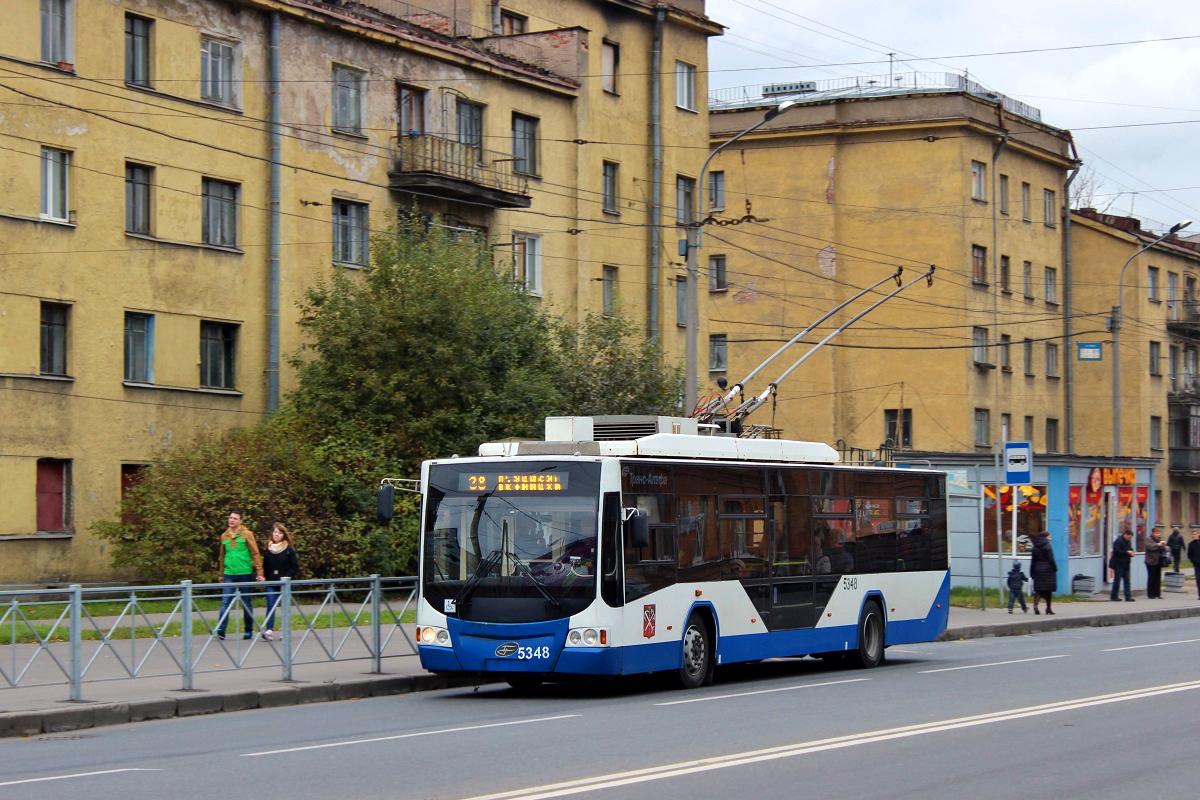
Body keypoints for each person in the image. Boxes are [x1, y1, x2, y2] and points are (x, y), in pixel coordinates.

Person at [216, 510, 264, 641]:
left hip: (244, 572)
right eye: (230, 518)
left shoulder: (247, 534)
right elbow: (221, 556)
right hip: (229, 573)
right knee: (225, 601)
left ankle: (248, 630)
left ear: (240, 521)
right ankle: (221, 629)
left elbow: (255, 553)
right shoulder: (224, 536)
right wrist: (221, 574)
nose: (231, 520)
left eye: (235, 518)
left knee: (246, 603)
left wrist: (260, 572)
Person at [261, 522, 299, 641]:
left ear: (283, 535)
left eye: (279, 533)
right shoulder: (268, 550)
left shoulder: (289, 550)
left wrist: (287, 577)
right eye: (275, 532)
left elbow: (295, 567)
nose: (276, 534)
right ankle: (269, 630)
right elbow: (265, 566)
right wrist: (263, 577)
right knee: (271, 605)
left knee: (284, 607)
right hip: (271, 583)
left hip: (285, 583)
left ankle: (285, 631)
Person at [1029, 531, 1057, 615]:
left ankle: (1035, 605)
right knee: (1048, 590)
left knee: (1039, 590)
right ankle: (1048, 608)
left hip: (1038, 570)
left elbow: (1033, 561)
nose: (1050, 538)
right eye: (1049, 537)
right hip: (1048, 570)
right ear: (1045, 537)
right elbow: (1051, 559)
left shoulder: (1035, 547)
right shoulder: (1048, 546)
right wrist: (1055, 568)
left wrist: (1032, 572)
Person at [1109, 527, 1135, 602]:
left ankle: (1128, 596)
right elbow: (1117, 551)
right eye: (1129, 537)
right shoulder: (1118, 541)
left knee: (1127, 581)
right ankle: (1114, 596)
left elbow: (1130, 549)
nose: (1129, 539)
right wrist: (1127, 552)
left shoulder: (1128, 542)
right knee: (1117, 580)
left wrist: (1131, 552)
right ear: (1125, 535)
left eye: (1131, 538)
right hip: (1118, 563)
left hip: (1126, 563)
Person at [1144, 527, 1168, 599]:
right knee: (1151, 577)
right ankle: (1150, 594)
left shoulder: (1159, 540)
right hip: (1150, 561)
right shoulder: (1149, 539)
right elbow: (1149, 547)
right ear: (1153, 533)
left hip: (1158, 561)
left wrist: (1163, 546)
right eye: (1156, 533)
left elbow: (1164, 550)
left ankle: (1157, 593)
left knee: (1158, 577)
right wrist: (1157, 545)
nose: (1157, 534)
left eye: (1158, 533)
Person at [1188, 530, 1200, 600]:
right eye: (1192, 534)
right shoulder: (1191, 544)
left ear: (1198, 534)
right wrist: (1193, 560)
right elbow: (1189, 555)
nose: (1193, 536)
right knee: (1198, 580)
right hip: (1196, 565)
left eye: (1195, 534)